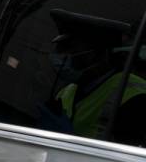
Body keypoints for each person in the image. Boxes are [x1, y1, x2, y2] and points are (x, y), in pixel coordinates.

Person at [40, 8, 146, 145]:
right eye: (60, 48)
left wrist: (71, 141)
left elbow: (127, 159)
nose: (63, 56)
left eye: (71, 48)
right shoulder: (66, 91)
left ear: (100, 54)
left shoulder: (133, 96)